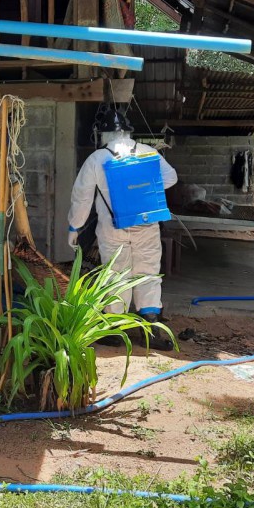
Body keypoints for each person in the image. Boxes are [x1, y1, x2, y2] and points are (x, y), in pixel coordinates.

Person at [67, 105, 177, 350]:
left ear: (103, 134)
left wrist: (75, 227)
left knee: (116, 274)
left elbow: (82, 197)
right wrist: (143, 190)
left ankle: (115, 331)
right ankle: (151, 330)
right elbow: (171, 178)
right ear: (128, 131)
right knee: (148, 273)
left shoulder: (97, 158)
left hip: (112, 227)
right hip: (146, 223)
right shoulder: (148, 152)